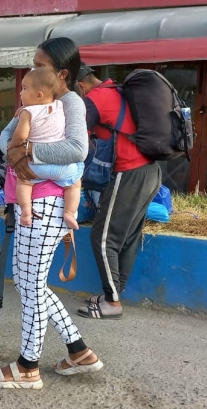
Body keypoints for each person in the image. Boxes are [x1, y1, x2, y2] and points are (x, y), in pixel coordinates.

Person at [0, 37, 102, 389]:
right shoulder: (40, 99)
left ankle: (27, 366)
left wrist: (26, 152)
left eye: (40, 65)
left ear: (62, 73)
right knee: (29, 283)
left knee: (31, 287)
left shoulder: (70, 102)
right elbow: (7, 137)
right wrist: (13, 149)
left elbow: (77, 149)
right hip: (38, 202)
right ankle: (79, 351)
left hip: (45, 203)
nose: (32, 71)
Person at [76, 65, 162, 320]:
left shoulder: (95, 98)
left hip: (129, 172)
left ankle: (112, 303)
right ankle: (114, 292)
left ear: (80, 86)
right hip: (151, 171)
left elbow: (75, 136)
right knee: (128, 237)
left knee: (102, 237)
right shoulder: (116, 91)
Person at [4, 68, 83, 230]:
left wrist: (12, 146)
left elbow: (20, 135)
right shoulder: (60, 105)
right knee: (75, 183)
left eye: (24, 89)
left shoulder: (28, 112)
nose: (20, 93)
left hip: (35, 166)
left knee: (24, 182)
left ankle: (26, 210)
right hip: (62, 168)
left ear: (39, 95)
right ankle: (69, 212)